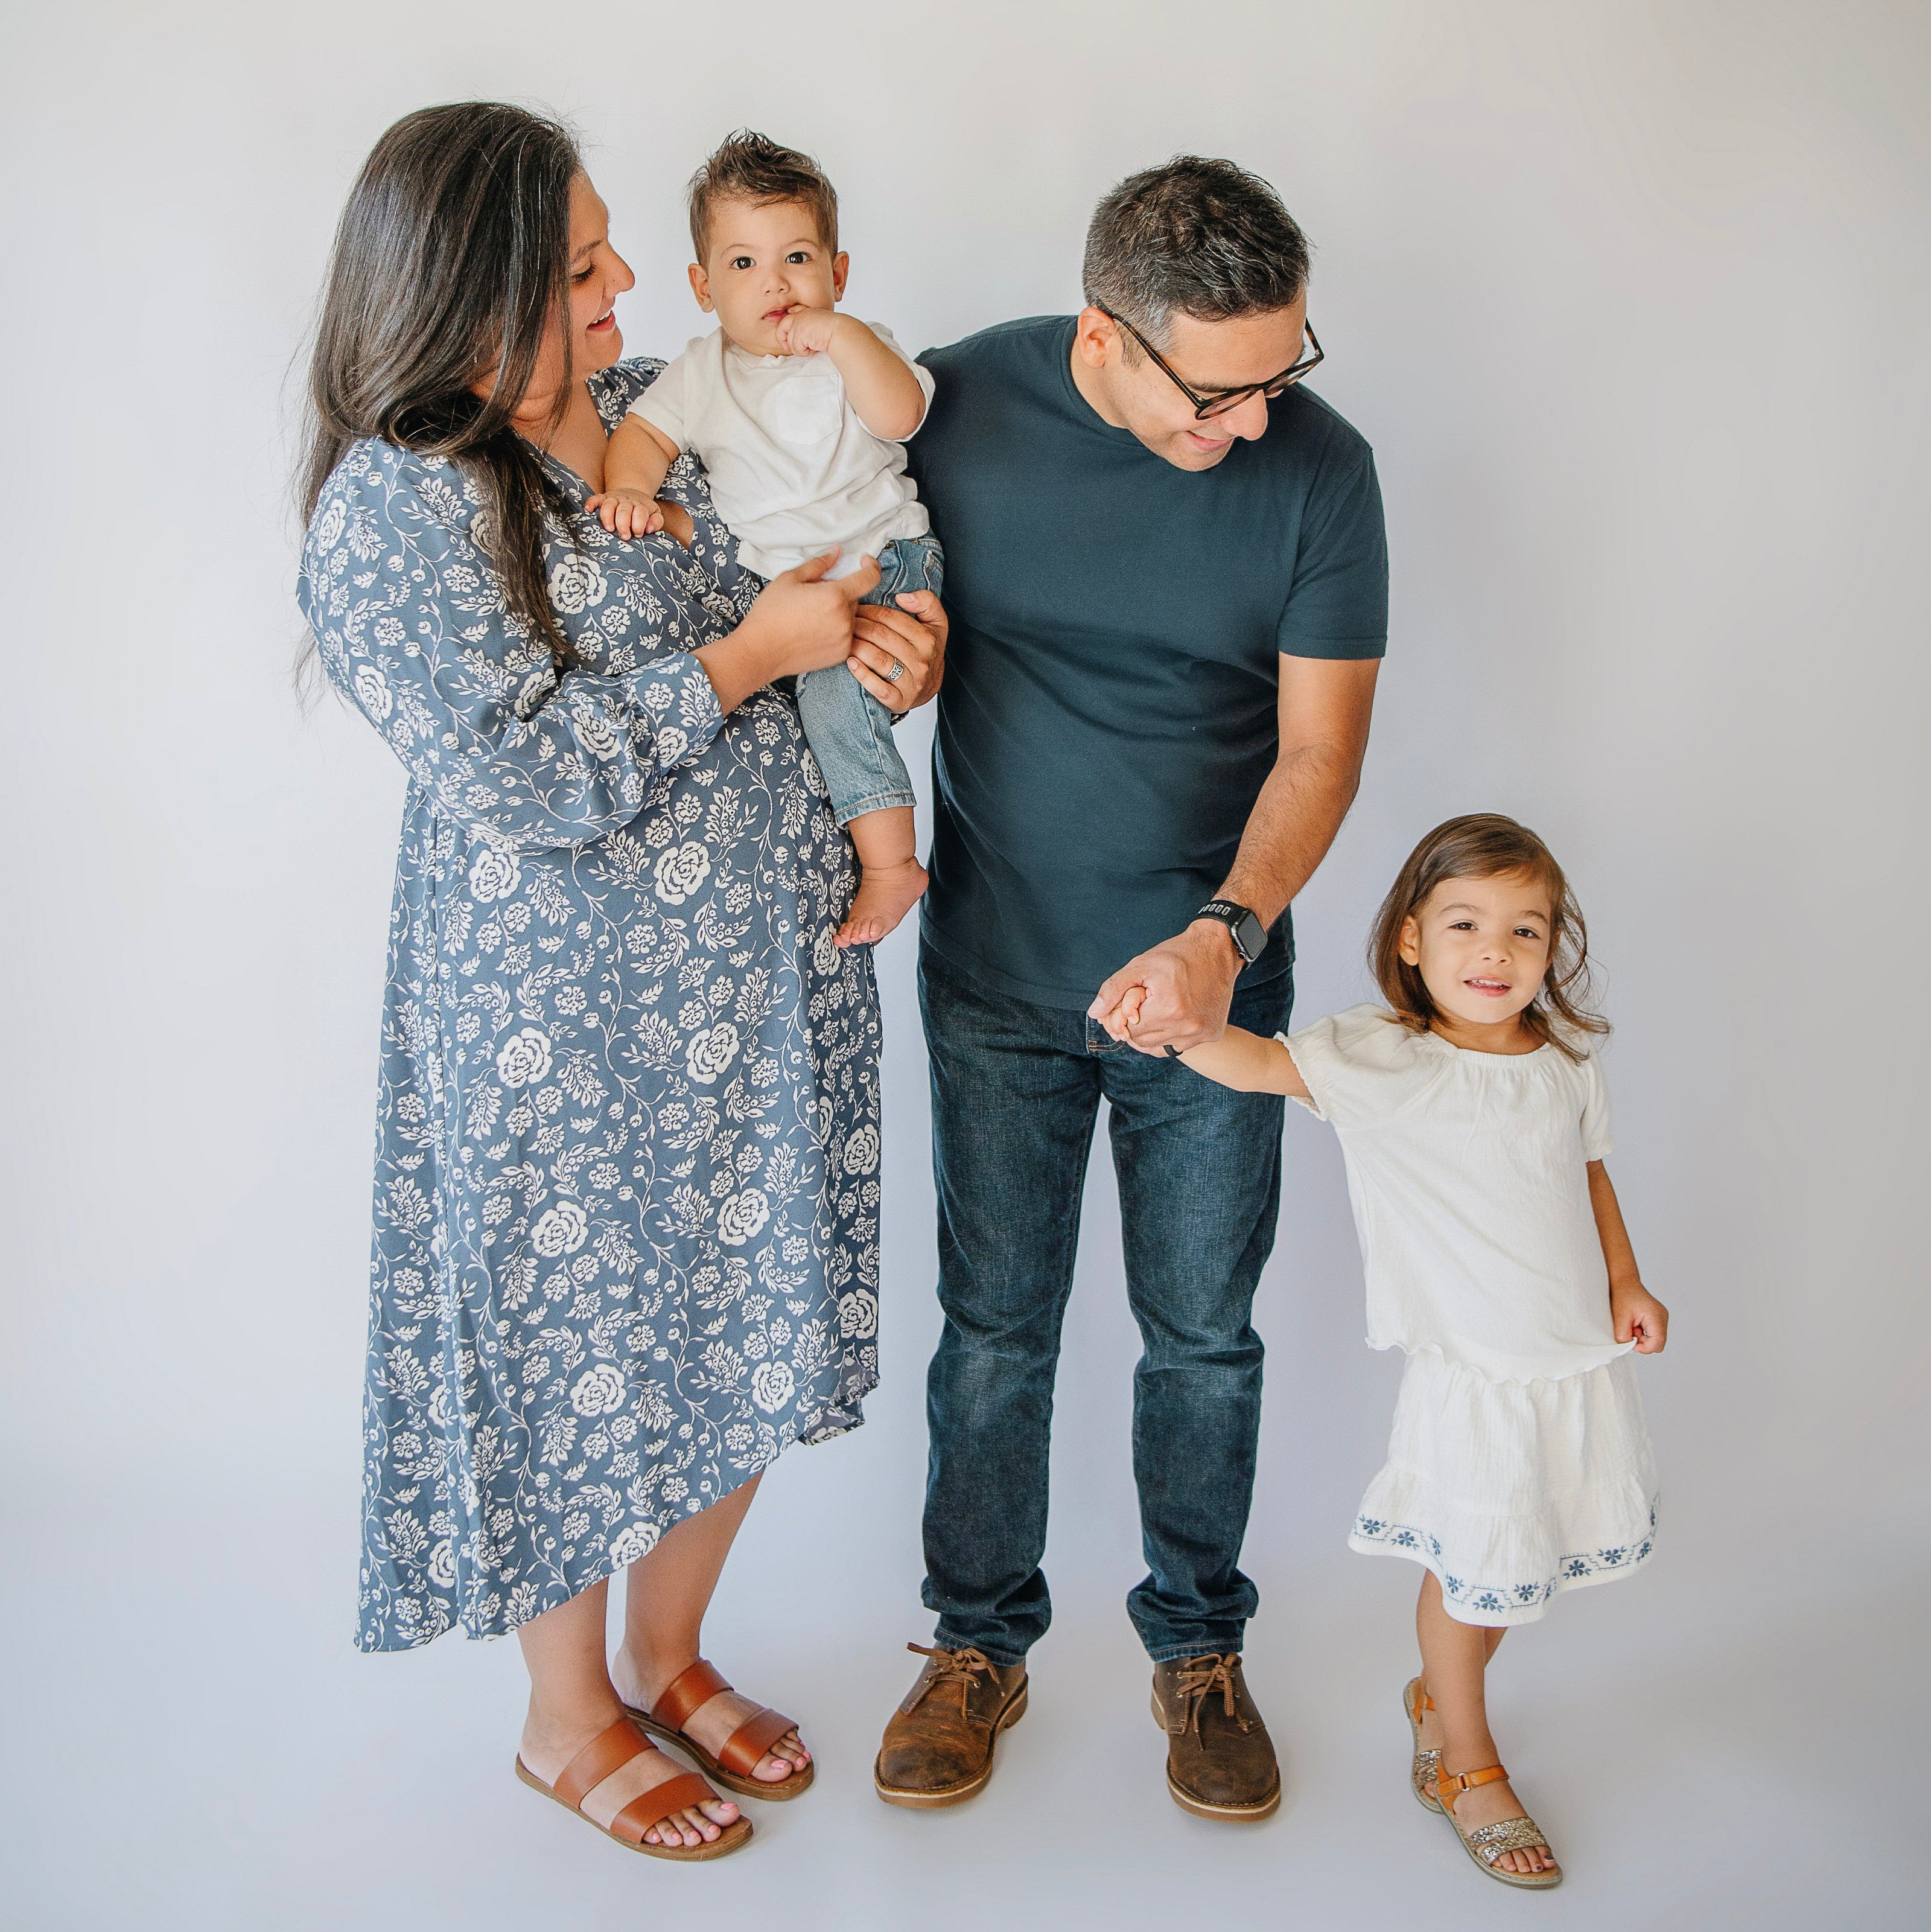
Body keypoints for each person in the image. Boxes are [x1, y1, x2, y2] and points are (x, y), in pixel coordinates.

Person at [297, 103, 944, 1860]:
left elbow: (845, 535)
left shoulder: (686, 392)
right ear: (462, 290)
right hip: (555, 1029)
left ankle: (669, 1655)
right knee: (569, 1348)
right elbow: (523, 775)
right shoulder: (396, 507)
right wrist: (748, 657)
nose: (626, 284)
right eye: (577, 266)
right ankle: (566, 1713)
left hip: (765, 982)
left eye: (606, 252)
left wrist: (895, 628)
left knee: (749, 1319)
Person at [874, 156, 1387, 1821]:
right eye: (1217, 390)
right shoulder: (945, 409)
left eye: (1281, 374)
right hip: (996, 978)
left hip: (1213, 989)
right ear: (1106, 334)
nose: (1255, 423)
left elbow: (1321, 754)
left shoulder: (1324, 473)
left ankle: (1197, 1646)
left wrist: (1220, 935)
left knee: (1204, 1340)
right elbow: (788, 521)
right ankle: (974, 1643)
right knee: (995, 1335)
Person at [1118, 813, 1668, 1888]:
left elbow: (1587, 1176)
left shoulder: (1564, 1063)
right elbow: (1263, 1064)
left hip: (1572, 1362)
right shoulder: (1386, 1059)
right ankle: (1465, 1757)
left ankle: (1436, 1694)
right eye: (1465, 923)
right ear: (1412, 940)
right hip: (1478, 1376)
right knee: (1477, 1574)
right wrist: (1176, 1030)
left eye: (1524, 929)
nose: (1495, 952)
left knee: (1528, 1561)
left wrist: (1627, 1279)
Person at [591, 130, 940, 948]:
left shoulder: (856, 348)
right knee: (807, 706)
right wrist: (631, 488)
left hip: (878, 561)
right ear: (703, 286)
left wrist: (844, 338)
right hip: (794, 589)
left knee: (834, 698)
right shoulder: (699, 371)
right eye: (743, 264)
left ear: (837, 273)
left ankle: (892, 863)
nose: (775, 283)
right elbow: (642, 434)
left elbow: (902, 418)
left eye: (798, 258)